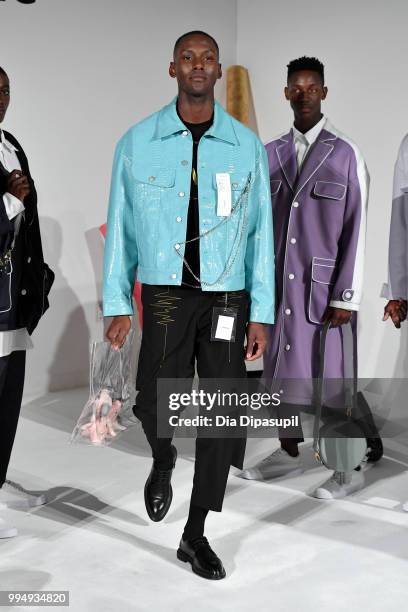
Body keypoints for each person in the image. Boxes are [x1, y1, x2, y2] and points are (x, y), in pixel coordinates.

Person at [103, 31, 274, 579]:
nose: (197, 66)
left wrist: (263, 313)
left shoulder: (245, 145)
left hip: (226, 297)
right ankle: (161, 457)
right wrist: (116, 301)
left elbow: (260, 237)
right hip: (166, 296)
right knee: (155, 400)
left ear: (219, 70)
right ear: (172, 69)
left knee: (222, 417)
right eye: (187, 58)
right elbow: (121, 228)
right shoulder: (138, 141)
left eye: (207, 59)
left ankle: (195, 533)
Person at [240, 56, 381, 498]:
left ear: (324, 92)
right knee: (281, 376)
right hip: (280, 291)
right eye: (295, 88)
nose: (304, 94)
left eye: (312, 87)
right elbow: (256, 228)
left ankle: (350, 465)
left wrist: (347, 296)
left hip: (324, 295)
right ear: (286, 93)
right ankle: (289, 450)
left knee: (332, 382)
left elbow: (358, 228)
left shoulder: (345, 154)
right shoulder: (269, 154)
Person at [0, 66, 53, 538]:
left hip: (14, 297)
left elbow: (30, 222)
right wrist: (8, 204)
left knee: (8, 397)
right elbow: (16, 208)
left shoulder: (11, 143)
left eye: (4, 89)